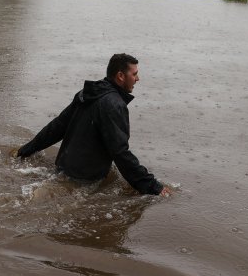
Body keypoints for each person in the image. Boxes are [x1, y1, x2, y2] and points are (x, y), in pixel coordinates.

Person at [15, 53, 171, 196]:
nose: (138, 79)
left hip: (62, 169)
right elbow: (120, 152)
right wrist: (153, 187)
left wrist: (24, 151)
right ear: (120, 76)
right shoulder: (114, 105)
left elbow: (57, 127)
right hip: (84, 181)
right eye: (134, 74)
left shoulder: (87, 93)